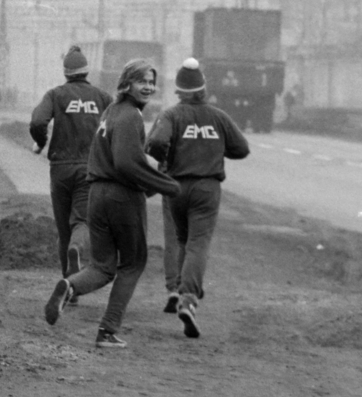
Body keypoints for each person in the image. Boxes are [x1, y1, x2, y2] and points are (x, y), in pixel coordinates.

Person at [44, 57, 179, 348]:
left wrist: (151, 184)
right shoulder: (130, 116)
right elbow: (128, 163)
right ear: (126, 83)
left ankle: (70, 286)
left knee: (103, 265)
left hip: (97, 195)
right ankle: (107, 331)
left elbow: (116, 157)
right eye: (141, 81)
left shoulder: (110, 111)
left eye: (151, 82)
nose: (148, 87)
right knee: (132, 263)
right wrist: (167, 185)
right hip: (121, 197)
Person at [145, 58, 250, 339]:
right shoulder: (218, 116)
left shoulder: (170, 116)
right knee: (198, 244)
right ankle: (189, 300)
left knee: (180, 240)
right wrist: (212, 147)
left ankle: (178, 288)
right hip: (206, 189)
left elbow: (154, 143)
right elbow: (241, 148)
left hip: (175, 186)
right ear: (203, 88)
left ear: (178, 91)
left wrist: (166, 158)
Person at [29, 46, 113, 299]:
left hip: (60, 168)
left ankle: (68, 283)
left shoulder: (56, 95)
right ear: (86, 70)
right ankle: (76, 252)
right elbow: (116, 128)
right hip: (90, 169)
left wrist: (41, 142)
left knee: (63, 227)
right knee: (82, 221)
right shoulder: (103, 98)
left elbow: (37, 121)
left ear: (66, 72)